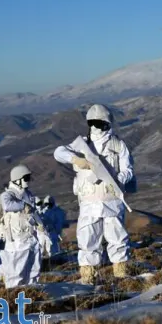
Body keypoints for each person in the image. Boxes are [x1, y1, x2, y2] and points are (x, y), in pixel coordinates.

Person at [53, 104, 134, 285]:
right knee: (88, 240)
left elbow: (128, 169)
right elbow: (58, 152)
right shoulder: (82, 144)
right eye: (93, 123)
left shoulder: (118, 144)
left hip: (112, 200)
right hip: (89, 202)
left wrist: (118, 180)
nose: (96, 127)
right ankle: (88, 278)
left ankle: (122, 276)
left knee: (117, 239)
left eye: (100, 123)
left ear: (107, 123)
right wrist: (75, 159)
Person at [0, 164, 44, 287]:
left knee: (34, 271)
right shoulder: (8, 194)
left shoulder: (28, 193)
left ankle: (32, 296)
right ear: (17, 180)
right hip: (17, 241)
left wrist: (40, 224)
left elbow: (32, 212)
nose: (29, 181)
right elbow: (7, 205)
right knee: (16, 274)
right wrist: (23, 206)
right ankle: (16, 300)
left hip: (31, 238)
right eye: (26, 178)